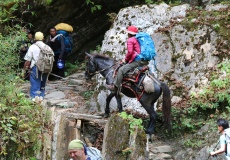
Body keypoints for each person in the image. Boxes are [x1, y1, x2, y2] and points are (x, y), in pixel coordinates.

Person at [108, 26, 148, 90]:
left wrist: (126, 60)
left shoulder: (130, 40)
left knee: (121, 70)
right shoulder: (138, 39)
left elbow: (130, 52)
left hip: (138, 61)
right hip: (145, 60)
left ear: (129, 34)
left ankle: (115, 86)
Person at [23, 31, 51, 99]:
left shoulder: (32, 47)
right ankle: (41, 97)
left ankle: (35, 100)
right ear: (43, 38)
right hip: (45, 68)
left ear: (35, 38)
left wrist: (24, 69)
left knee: (35, 83)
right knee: (42, 84)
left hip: (35, 68)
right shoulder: (47, 47)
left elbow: (28, 60)